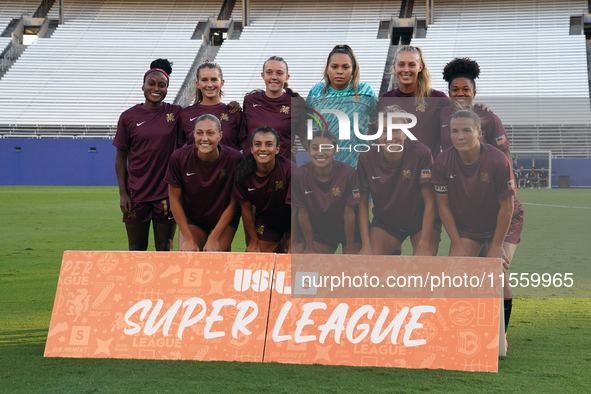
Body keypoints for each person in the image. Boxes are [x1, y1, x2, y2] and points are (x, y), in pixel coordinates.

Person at [432, 110, 521, 352]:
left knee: (498, 273)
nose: (459, 136)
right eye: (454, 131)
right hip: (469, 225)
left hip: (504, 220)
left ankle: (500, 335)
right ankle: (461, 331)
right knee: (457, 272)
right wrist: (457, 244)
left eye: (466, 130)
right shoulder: (442, 162)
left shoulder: (497, 160)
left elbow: (508, 206)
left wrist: (495, 246)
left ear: (479, 133)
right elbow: (444, 207)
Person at [113, 59, 181, 251]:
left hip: (165, 195)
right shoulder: (128, 116)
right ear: (143, 85)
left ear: (167, 88)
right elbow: (120, 156)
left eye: (162, 85)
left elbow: (200, 111)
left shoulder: (175, 113)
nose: (156, 88)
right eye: (151, 83)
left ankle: (164, 283)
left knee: (165, 246)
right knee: (136, 248)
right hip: (136, 195)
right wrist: (123, 194)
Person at [357, 106, 437, 256]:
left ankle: (402, 246)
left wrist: (424, 243)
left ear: (406, 134)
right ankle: (395, 245)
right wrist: (366, 244)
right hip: (386, 224)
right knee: (367, 260)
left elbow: (430, 201)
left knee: (423, 263)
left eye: (396, 130)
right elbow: (362, 204)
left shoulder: (421, 153)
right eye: (384, 130)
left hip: (420, 224)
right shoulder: (366, 157)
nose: (390, 136)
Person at [164, 114, 242, 252]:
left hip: (223, 219)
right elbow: (174, 200)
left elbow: (233, 203)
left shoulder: (235, 159)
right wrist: (188, 239)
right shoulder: (179, 157)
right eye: (199, 133)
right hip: (194, 218)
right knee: (188, 256)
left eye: (210, 133)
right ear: (193, 134)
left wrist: (214, 238)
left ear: (220, 135)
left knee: (214, 256)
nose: (204, 138)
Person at [306, 44, 377, 168]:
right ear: (327, 70)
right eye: (334, 67)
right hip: (324, 169)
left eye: (345, 67)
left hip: (359, 169)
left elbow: (377, 126)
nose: (339, 71)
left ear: (353, 70)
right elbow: (305, 128)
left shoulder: (366, 91)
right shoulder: (315, 92)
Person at [291, 129, 360, 254]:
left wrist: (349, 247)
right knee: (308, 262)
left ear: (336, 151)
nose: (320, 153)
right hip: (322, 233)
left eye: (326, 148)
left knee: (352, 264)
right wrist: (310, 247)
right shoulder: (299, 175)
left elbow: (349, 214)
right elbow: (302, 213)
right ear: (309, 151)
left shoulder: (348, 173)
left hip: (350, 232)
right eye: (315, 148)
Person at [380, 45, 450, 158]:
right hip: (395, 171)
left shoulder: (438, 98)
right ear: (394, 67)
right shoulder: (385, 99)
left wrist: (479, 107)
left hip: (427, 171)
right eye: (401, 64)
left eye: (412, 65)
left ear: (420, 67)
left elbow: (461, 119)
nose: (406, 70)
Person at [440, 58, 512, 164]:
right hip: (451, 178)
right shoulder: (442, 114)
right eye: (455, 90)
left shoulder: (489, 118)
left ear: (474, 93)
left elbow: (505, 157)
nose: (460, 94)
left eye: (466, 89)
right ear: (449, 93)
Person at [234, 127, 291, 252]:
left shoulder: (290, 170)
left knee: (294, 258)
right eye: (258, 144)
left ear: (277, 149)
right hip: (267, 222)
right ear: (252, 149)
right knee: (255, 256)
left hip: (294, 222)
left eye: (269, 144)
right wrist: (253, 241)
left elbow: (299, 211)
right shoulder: (242, 173)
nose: (263, 148)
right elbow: (246, 209)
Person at [241, 56, 306, 161]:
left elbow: (306, 140)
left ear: (287, 77)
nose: (274, 77)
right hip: (251, 170)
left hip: (283, 170)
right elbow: (242, 138)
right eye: (269, 72)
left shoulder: (296, 104)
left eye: (279, 73)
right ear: (263, 75)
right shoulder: (250, 101)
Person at [178, 62, 243, 150]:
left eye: (214, 79)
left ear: (222, 83)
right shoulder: (185, 114)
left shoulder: (234, 112)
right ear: (198, 84)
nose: (209, 85)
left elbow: (244, 149)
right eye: (204, 80)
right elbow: (177, 149)